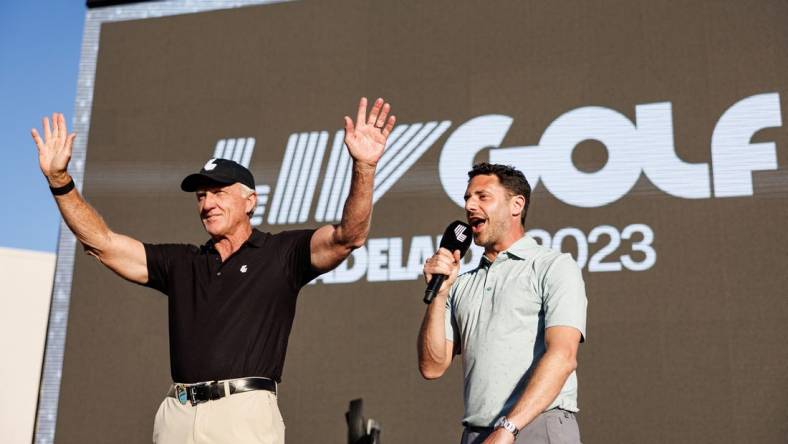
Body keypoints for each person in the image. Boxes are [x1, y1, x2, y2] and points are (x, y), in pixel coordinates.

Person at [31, 97, 396, 444]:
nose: (207, 203)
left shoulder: (280, 253)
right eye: (201, 195)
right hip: (178, 413)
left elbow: (348, 236)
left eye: (219, 192)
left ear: (250, 201)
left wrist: (364, 167)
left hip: (243, 414)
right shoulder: (183, 262)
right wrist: (60, 182)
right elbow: (105, 244)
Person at [418, 163, 588, 444]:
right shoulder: (460, 284)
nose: (470, 205)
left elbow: (563, 356)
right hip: (477, 433)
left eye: (482, 196)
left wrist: (509, 428)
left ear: (516, 205)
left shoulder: (552, 266)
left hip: (537, 425)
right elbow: (432, 367)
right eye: (467, 198)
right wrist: (438, 295)